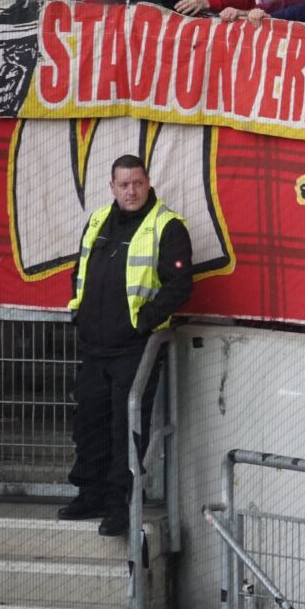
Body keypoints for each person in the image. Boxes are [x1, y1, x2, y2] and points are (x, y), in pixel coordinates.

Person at [60, 155, 193, 537]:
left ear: (148, 183)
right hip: (93, 346)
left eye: (137, 183)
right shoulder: (99, 220)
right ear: (112, 187)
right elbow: (80, 272)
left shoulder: (167, 227)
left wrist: (142, 323)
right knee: (88, 424)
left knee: (126, 429)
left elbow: (179, 287)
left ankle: (121, 506)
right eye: (123, 185)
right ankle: (91, 494)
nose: (131, 191)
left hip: (134, 350)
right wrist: (78, 313)